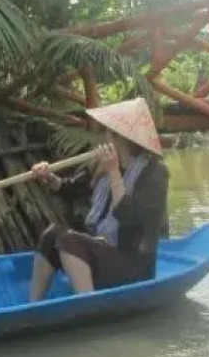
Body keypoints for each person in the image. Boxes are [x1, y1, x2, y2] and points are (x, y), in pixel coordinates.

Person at [29, 97, 170, 301]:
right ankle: (33, 305)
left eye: (109, 133)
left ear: (122, 138)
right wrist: (48, 176)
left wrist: (114, 174)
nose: (104, 138)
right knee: (52, 234)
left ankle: (89, 306)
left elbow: (129, 216)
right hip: (103, 250)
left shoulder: (155, 174)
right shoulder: (103, 167)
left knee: (69, 241)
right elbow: (72, 189)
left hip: (134, 264)